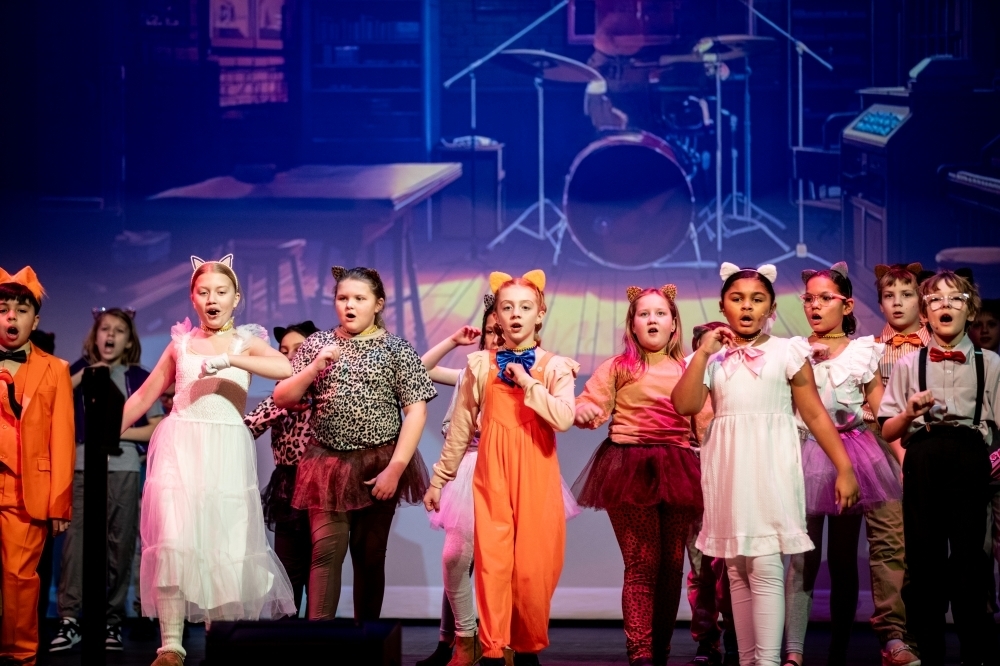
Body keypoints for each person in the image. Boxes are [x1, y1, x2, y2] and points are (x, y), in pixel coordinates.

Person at [672, 263, 859, 666]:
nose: (746, 307)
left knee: (766, 563)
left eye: (757, 300)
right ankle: (749, 659)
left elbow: (814, 414)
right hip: (728, 468)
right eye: (737, 299)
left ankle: (770, 661)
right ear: (723, 306)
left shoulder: (787, 351)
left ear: (771, 308)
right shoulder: (713, 358)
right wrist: (703, 353)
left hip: (770, 466)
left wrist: (844, 468)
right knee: (736, 567)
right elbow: (684, 404)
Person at [119, 254, 296, 666]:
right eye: (203, 292)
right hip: (180, 445)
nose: (212, 299)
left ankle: (222, 639)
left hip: (225, 451)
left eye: (221, 292)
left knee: (225, 543)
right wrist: (104, 431)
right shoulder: (181, 344)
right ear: (192, 299)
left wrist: (231, 360)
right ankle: (171, 644)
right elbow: (144, 396)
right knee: (175, 541)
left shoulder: (244, 341)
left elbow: (284, 366)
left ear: (237, 298)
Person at [425, 270, 579, 666]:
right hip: (491, 472)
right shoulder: (479, 364)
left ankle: (526, 648)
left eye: (525, 308)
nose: (515, 315)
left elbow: (563, 418)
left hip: (536, 473)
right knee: (492, 566)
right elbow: (460, 429)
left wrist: (529, 382)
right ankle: (493, 649)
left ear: (540, 315)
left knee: (533, 570)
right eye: (506, 307)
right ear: (494, 317)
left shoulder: (555, 367)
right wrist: (440, 478)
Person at [273, 266, 436, 622]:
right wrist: (313, 367)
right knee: (326, 552)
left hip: (378, 464)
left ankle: (367, 643)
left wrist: (395, 468)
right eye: (342, 298)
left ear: (377, 304)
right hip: (327, 464)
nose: (349, 305)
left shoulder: (396, 349)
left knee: (369, 554)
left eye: (359, 299)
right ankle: (320, 643)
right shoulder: (318, 344)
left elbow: (416, 412)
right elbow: (282, 396)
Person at [572, 285, 704, 666]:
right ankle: (641, 653)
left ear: (674, 324)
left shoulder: (687, 368)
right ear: (632, 324)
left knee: (671, 568)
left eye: (660, 313)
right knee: (642, 563)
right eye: (643, 313)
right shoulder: (619, 367)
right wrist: (582, 411)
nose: (652, 319)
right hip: (629, 467)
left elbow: (704, 419)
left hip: (678, 468)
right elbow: (592, 403)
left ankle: (659, 650)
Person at [783, 264, 904, 666]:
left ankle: (838, 648)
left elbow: (883, 412)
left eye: (824, 298)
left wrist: (903, 461)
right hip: (804, 454)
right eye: (809, 299)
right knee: (802, 557)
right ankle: (794, 651)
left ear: (847, 304)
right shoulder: (794, 350)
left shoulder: (863, 351)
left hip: (853, 454)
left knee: (842, 557)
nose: (815, 306)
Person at [880, 270, 999, 666]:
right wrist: (909, 412)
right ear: (925, 313)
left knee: (970, 563)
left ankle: (975, 652)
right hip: (924, 457)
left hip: (970, 458)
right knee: (924, 561)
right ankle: (928, 649)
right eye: (935, 300)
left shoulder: (992, 363)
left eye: (955, 299)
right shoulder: (908, 365)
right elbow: (888, 427)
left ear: (971, 309)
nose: (945, 305)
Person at [49, 308, 164, 653]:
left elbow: (156, 423)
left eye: (119, 331)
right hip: (82, 467)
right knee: (75, 544)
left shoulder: (139, 375)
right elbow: (52, 403)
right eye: (105, 329)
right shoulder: (76, 371)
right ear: (95, 335)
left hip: (124, 468)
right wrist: (84, 375)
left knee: (120, 544)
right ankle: (70, 619)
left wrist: (116, 431)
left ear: (129, 340)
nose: (111, 336)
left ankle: (111, 621)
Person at [0, 266, 74, 665]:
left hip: (24, 490)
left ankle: (18, 656)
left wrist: (59, 502)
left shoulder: (55, 369)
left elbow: (61, 439)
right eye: (3, 308)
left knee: (18, 580)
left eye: (21, 309)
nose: (11, 317)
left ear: (35, 319)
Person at [417, 297, 493, 666]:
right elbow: (421, 369)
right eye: (490, 331)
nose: (496, 337)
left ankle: (494, 643)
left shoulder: (521, 374)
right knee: (456, 559)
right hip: (465, 471)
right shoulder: (469, 373)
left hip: (501, 471)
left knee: (483, 564)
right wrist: (452, 340)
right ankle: (457, 640)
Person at [244, 320, 320, 615]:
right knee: (288, 569)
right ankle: (285, 635)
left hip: (321, 484)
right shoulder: (280, 396)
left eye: (298, 350)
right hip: (288, 485)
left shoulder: (325, 394)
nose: (289, 356)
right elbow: (247, 426)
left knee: (320, 567)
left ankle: (319, 636)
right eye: (283, 351)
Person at [684, 322, 737, 666]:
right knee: (701, 564)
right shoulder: (689, 369)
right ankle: (707, 638)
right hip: (695, 471)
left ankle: (737, 631)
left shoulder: (741, 368)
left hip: (735, 471)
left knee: (734, 562)